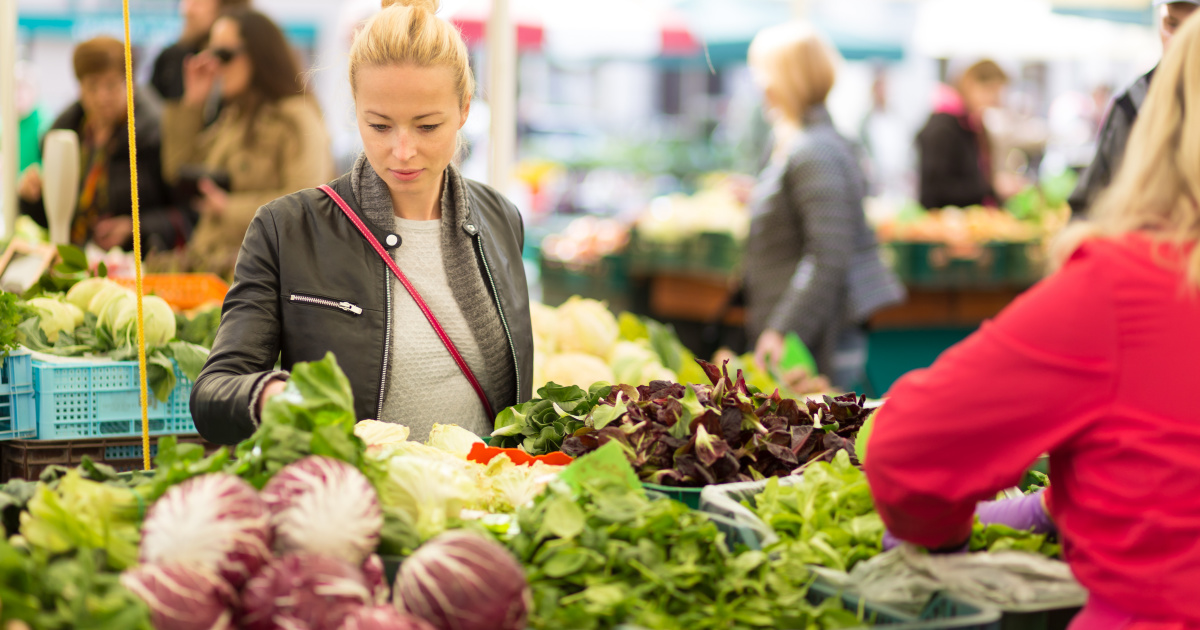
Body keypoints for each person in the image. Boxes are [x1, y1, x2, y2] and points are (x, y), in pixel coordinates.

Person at [863, 12, 1200, 627]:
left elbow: (906, 452)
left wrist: (942, 532)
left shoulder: (1123, 288)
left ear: (1162, 124)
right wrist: (1055, 505)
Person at [190, 0, 533, 445]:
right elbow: (213, 393)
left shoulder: (501, 220)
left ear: (464, 109)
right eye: (380, 126)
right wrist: (270, 395)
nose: (403, 151)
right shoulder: (286, 229)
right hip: (354, 486)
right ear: (356, 110)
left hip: (485, 486)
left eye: (427, 126)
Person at [742, 23, 904, 391]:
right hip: (805, 335)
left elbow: (828, 256)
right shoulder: (799, 142)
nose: (760, 86)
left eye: (762, 73)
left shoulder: (814, 151)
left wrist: (783, 329)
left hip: (817, 342)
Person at [161, 7, 334, 276]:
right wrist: (193, 104)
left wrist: (228, 208)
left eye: (224, 55)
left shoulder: (295, 118)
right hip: (214, 268)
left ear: (258, 54)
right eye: (210, 54)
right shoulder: (234, 116)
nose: (215, 66)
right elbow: (178, 171)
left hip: (263, 277)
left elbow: (308, 204)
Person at [17, 37, 182, 252]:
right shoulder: (69, 132)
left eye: (111, 85)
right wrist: (34, 197)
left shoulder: (156, 133)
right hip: (78, 258)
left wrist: (135, 228)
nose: (102, 97)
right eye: (92, 86)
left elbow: (185, 214)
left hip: (138, 262)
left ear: (130, 83)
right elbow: (59, 220)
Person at [1068, 0, 1198, 219]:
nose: (1179, 41)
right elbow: (1088, 204)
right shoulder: (1131, 105)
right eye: (1172, 25)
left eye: (1192, 29)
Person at [915, 60, 1009, 210]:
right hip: (943, 220)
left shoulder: (971, 123)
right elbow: (937, 189)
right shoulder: (944, 126)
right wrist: (990, 189)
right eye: (991, 91)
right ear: (971, 84)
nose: (996, 100)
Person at [149, 0, 250, 104]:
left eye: (199, 3)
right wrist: (192, 105)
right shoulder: (171, 58)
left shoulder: (239, 61)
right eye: (187, 2)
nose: (188, 11)